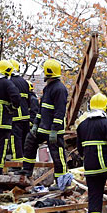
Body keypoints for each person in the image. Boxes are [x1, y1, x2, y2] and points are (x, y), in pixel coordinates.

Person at [21, 59, 68, 187]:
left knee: (57, 156)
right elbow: (42, 109)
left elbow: (60, 112)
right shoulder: (48, 88)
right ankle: (26, 171)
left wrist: (54, 130)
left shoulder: (60, 89)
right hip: (42, 128)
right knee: (30, 142)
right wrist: (36, 124)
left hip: (53, 130)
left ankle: (61, 182)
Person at [6, 59, 31, 165]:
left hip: (15, 117)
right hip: (26, 116)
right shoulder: (24, 82)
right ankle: (25, 162)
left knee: (15, 140)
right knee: (25, 141)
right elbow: (29, 100)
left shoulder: (10, 82)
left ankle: (17, 164)